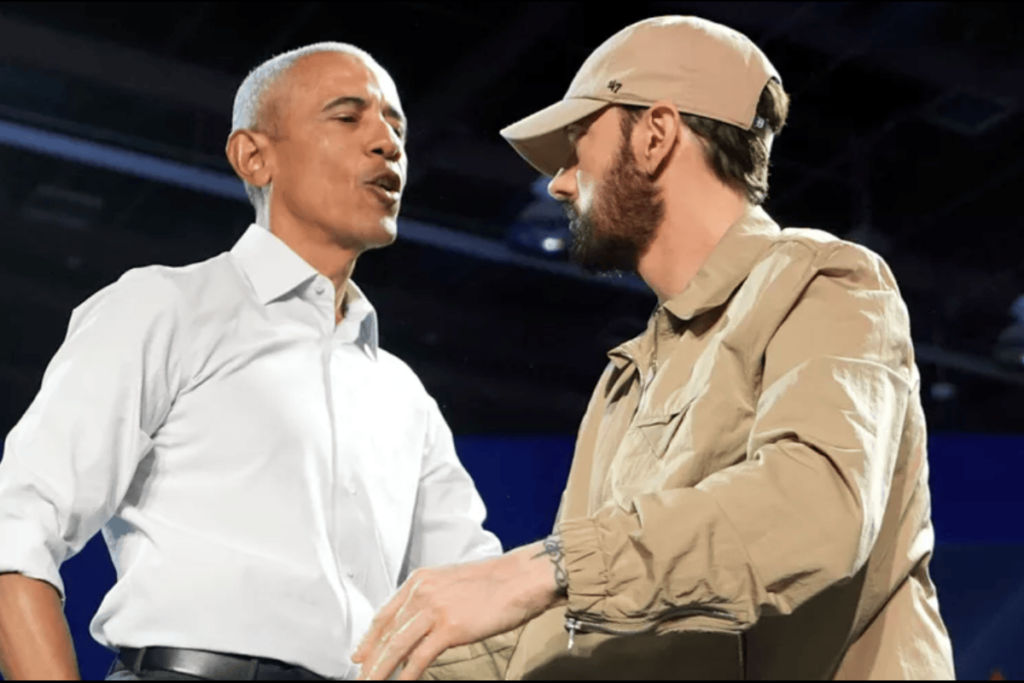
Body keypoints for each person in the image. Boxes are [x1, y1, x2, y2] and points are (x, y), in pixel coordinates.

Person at [352, 16, 956, 681]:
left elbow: (815, 509)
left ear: (656, 134)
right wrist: (385, 652)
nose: (559, 183)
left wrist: (544, 568)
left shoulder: (825, 280)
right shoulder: (627, 377)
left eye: (580, 141)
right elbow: (575, 620)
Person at [0, 42, 502, 681]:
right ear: (254, 156)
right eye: (348, 118)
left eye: (396, 126)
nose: (386, 142)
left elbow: (478, 605)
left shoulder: (404, 396)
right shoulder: (164, 308)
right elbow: (16, 529)